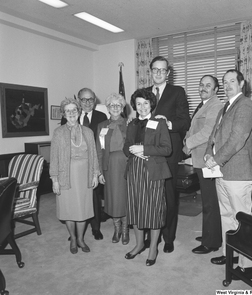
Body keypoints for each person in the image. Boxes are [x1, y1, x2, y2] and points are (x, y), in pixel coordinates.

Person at [204, 69, 252, 276]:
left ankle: (247, 264)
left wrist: (215, 159)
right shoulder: (225, 106)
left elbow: (237, 139)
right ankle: (230, 255)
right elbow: (213, 136)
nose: (227, 85)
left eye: (232, 81)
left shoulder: (245, 105)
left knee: (242, 219)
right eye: (224, 82)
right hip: (221, 172)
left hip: (238, 173)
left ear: (241, 83)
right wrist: (209, 154)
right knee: (227, 216)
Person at [146, 56, 190, 253]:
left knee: (169, 195)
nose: (158, 73)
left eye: (162, 70)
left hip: (169, 150)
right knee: (149, 194)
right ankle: (151, 234)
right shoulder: (144, 93)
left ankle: (169, 236)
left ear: (168, 73)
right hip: (147, 150)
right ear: (150, 71)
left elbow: (185, 121)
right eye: (155, 69)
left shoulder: (177, 92)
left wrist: (168, 123)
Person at [123, 88, 172, 266]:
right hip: (134, 170)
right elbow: (125, 147)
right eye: (138, 104)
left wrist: (144, 149)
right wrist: (132, 150)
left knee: (153, 210)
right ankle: (139, 244)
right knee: (136, 208)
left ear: (151, 104)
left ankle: (153, 248)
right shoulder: (131, 124)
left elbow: (167, 149)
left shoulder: (159, 123)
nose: (142, 107)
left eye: (145, 103)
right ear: (134, 106)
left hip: (153, 171)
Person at [50, 97, 100, 254]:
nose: (71, 113)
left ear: (79, 112)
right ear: (63, 114)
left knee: (82, 209)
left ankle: (81, 239)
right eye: (67, 111)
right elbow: (54, 157)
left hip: (84, 175)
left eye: (74, 110)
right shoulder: (58, 133)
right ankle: (72, 238)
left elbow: (93, 155)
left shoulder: (88, 131)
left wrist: (95, 174)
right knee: (68, 209)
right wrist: (55, 179)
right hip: (65, 175)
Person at [183, 75, 223, 254]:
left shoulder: (215, 105)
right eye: (201, 85)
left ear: (216, 90)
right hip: (199, 159)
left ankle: (211, 242)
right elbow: (194, 128)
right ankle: (210, 233)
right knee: (207, 200)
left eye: (208, 85)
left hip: (208, 161)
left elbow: (208, 132)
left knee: (210, 202)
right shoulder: (204, 105)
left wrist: (188, 144)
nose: (203, 88)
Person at [61, 88, 107, 240]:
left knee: (93, 196)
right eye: (83, 99)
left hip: (91, 163)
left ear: (95, 101)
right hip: (73, 166)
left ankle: (95, 228)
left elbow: (103, 142)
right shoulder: (70, 116)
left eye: (91, 99)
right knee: (74, 197)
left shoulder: (102, 116)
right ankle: (74, 231)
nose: (87, 103)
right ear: (78, 101)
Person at [95, 93, 129, 245]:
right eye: (112, 105)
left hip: (126, 166)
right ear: (107, 108)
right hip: (109, 167)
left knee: (125, 199)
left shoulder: (130, 124)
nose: (115, 108)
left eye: (118, 105)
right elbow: (99, 150)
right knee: (113, 199)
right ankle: (117, 229)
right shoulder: (101, 126)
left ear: (123, 107)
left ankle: (126, 230)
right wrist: (100, 171)